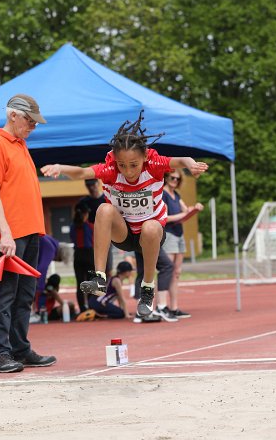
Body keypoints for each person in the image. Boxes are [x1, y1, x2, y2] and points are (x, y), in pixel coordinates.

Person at [41, 110, 208, 319]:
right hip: (124, 234)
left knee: (149, 226)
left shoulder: (154, 165)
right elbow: (83, 173)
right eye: (122, 165)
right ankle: (100, 277)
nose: (128, 171)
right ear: (116, 162)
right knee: (104, 209)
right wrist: (59, 167)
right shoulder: (111, 171)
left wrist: (191, 164)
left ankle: (147, 288)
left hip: (151, 233)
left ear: (145, 157)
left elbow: (181, 160)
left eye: (134, 165)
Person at [0, 93, 57, 373]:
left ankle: (20, 349)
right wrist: (5, 233)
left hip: (30, 232)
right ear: (13, 115)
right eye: (30, 121)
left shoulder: (20, 145)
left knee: (25, 295)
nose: (33, 127)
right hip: (11, 236)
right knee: (5, 294)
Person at [162, 169, 204, 318]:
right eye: (173, 178)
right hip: (169, 235)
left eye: (178, 179)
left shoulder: (177, 195)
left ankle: (174, 307)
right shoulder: (163, 194)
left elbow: (186, 211)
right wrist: (183, 214)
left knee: (176, 273)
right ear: (166, 178)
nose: (175, 181)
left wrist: (195, 209)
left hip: (179, 235)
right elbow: (164, 218)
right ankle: (162, 306)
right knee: (167, 271)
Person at [31, 234, 73, 322]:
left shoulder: (49, 240)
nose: (55, 260)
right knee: (41, 288)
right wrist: (40, 289)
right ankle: (37, 312)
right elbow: (42, 269)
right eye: (59, 260)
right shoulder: (50, 249)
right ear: (60, 255)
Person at [79, 178, 114, 276]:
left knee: (108, 266)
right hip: (89, 239)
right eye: (88, 185)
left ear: (98, 184)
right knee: (93, 269)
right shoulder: (83, 202)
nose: (91, 187)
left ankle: (108, 288)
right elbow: (77, 221)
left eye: (93, 184)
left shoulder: (107, 199)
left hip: (106, 235)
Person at [133, 248, 177, 323]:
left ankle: (140, 312)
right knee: (166, 266)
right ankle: (161, 307)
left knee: (142, 272)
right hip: (149, 240)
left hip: (136, 240)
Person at [70, 202, 95, 313]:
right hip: (89, 254)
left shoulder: (72, 227)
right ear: (85, 214)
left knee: (80, 283)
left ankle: (82, 309)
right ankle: (91, 307)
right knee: (91, 282)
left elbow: (72, 239)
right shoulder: (90, 226)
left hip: (77, 255)